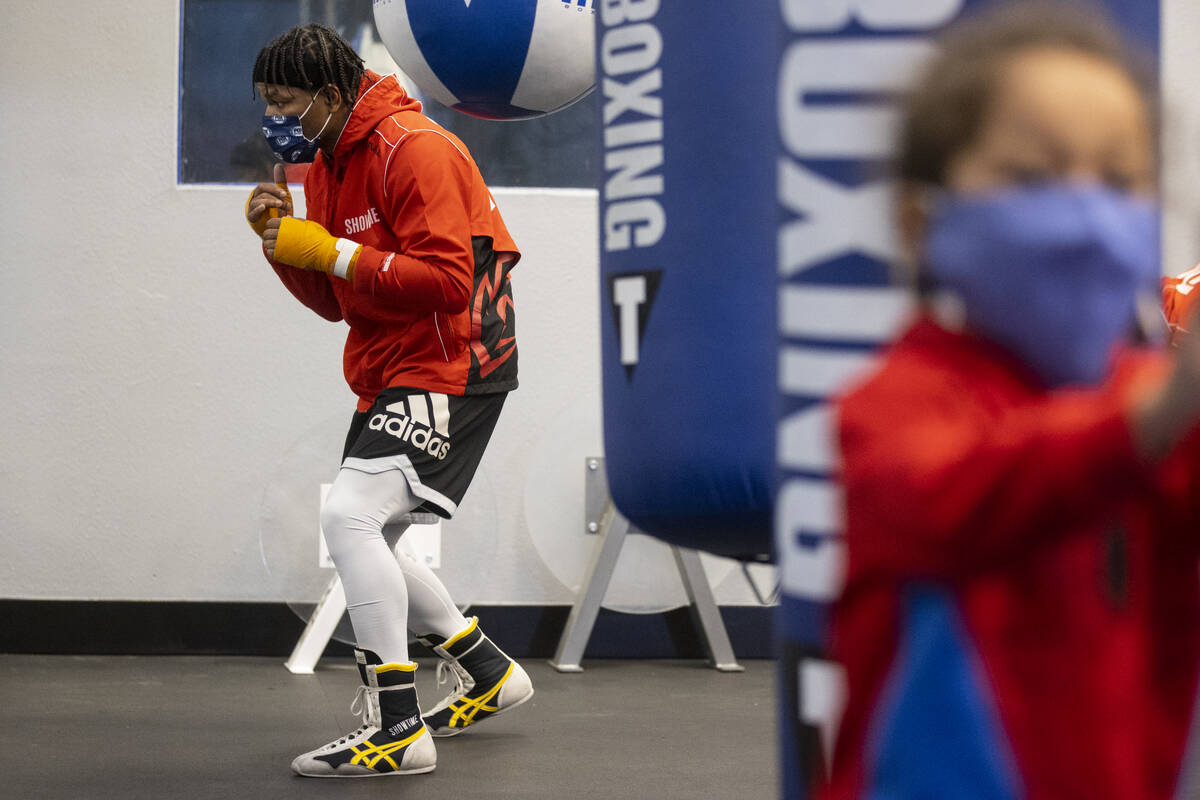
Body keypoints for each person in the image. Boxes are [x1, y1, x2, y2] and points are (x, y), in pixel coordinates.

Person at [825, 5, 1200, 799]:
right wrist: (1155, 418)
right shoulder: (895, 405)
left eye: (1121, 180)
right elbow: (952, 494)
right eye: (1031, 177)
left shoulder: (1140, 399)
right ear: (918, 216)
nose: (1088, 218)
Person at [244, 24, 532, 778]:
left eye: (285, 101)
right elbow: (338, 302)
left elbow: (447, 282)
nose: (275, 118)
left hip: (456, 357)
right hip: (396, 364)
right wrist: (282, 244)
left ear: (332, 95)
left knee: (349, 517)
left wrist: (329, 248)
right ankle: (491, 673)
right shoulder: (328, 165)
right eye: (267, 103)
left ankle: (398, 729)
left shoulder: (418, 147)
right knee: (372, 533)